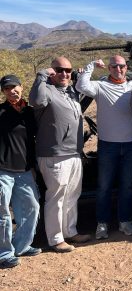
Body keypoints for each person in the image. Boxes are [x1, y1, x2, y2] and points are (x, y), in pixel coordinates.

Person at [76, 55, 132, 239]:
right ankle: (102, 224)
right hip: (108, 145)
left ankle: (125, 221)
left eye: (121, 66)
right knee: (104, 186)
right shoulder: (100, 86)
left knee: (126, 186)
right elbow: (81, 85)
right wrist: (91, 65)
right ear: (109, 69)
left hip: (130, 144)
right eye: (114, 67)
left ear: (126, 68)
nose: (118, 70)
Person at [29, 57, 90, 253]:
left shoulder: (70, 91)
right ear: (52, 71)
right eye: (59, 70)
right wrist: (41, 75)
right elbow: (36, 101)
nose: (65, 73)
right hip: (54, 154)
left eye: (68, 70)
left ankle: (70, 231)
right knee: (56, 196)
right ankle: (55, 239)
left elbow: (84, 88)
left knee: (72, 194)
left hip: (73, 152)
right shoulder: (46, 90)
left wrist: (81, 75)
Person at [0, 75, 40, 268]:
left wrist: (33, 166)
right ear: (3, 92)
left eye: (14, 87)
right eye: (7, 89)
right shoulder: (0, 112)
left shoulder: (30, 113)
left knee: (32, 208)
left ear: (21, 88)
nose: (11, 91)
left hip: (24, 170)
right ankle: (4, 253)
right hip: (3, 170)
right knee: (3, 213)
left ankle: (22, 246)